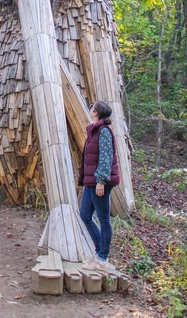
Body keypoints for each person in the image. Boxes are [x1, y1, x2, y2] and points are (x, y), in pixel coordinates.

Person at [78, 101, 120, 272]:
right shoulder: (95, 130)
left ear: (96, 112)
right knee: (85, 215)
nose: (90, 110)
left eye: (92, 108)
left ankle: (102, 258)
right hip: (91, 181)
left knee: (104, 219)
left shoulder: (103, 131)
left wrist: (101, 181)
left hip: (100, 181)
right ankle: (98, 253)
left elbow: (105, 158)